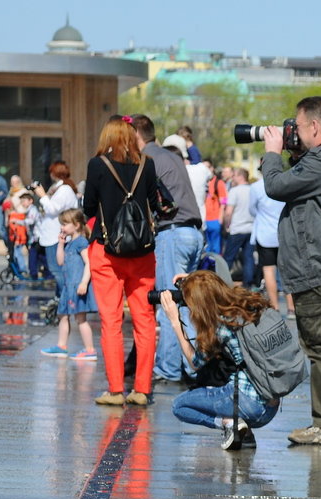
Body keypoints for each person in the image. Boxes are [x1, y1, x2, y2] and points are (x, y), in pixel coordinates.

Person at [261, 95, 321, 446]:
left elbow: (276, 186)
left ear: (315, 127)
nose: (294, 132)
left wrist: (272, 153)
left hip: (316, 265)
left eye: (298, 126)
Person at [83, 116, 161, 406]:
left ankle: (116, 389)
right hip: (142, 252)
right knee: (144, 320)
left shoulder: (97, 165)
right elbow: (155, 203)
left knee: (111, 321)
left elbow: (88, 206)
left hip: (107, 251)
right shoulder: (147, 164)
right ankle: (142, 389)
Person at [160, 271, 280, 449]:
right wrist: (196, 282)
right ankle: (243, 431)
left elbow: (195, 363)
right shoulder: (246, 306)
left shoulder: (220, 327)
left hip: (249, 403)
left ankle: (228, 423)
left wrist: (175, 322)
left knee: (180, 406)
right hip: (271, 406)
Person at [130, 114, 203, 384]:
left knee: (170, 304)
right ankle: (193, 365)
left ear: (137, 135)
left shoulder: (147, 159)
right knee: (186, 304)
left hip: (172, 233)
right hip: (192, 233)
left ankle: (169, 369)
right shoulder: (170, 155)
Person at [40, 208, 97, 360]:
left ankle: (90, 349)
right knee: (62, 315)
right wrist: (60, 244)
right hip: (68, 287)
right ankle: (62, 346)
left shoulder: (81, 243)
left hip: (77, 286)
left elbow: (89, 263)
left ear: (77, 225)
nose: (62, 227)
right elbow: (60, 261)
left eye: (65, 224)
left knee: (80, 319)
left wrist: (84, 282)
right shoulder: (70, 243)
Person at [248, 164, 294, 316]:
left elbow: (252, 209)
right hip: (284, 231)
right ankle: (291, 307)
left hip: (265, 233)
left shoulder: (256, 187)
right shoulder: (287, 181)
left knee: (268, 270)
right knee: (287, 270)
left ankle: (274, 307)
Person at [33, 162, 80, 296]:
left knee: (57, 269)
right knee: (57, 269)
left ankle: (65, 298)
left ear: (54, 173)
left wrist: (42, 196)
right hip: (53, 235)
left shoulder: (65, 189)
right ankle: (60, 299)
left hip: (56, 235)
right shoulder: (60, 188)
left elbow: (53, 208)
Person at [223, 168, 257, 289]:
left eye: (234, 176)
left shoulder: (235, 191)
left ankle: (223, 282)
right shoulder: (253, 189)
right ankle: (248, 283)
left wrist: (226, 225)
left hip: (237, 228)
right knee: (248, 257)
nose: (233, 178)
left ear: (241, 177)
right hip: (251, 228)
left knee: (228, 257)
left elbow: (228, 212)